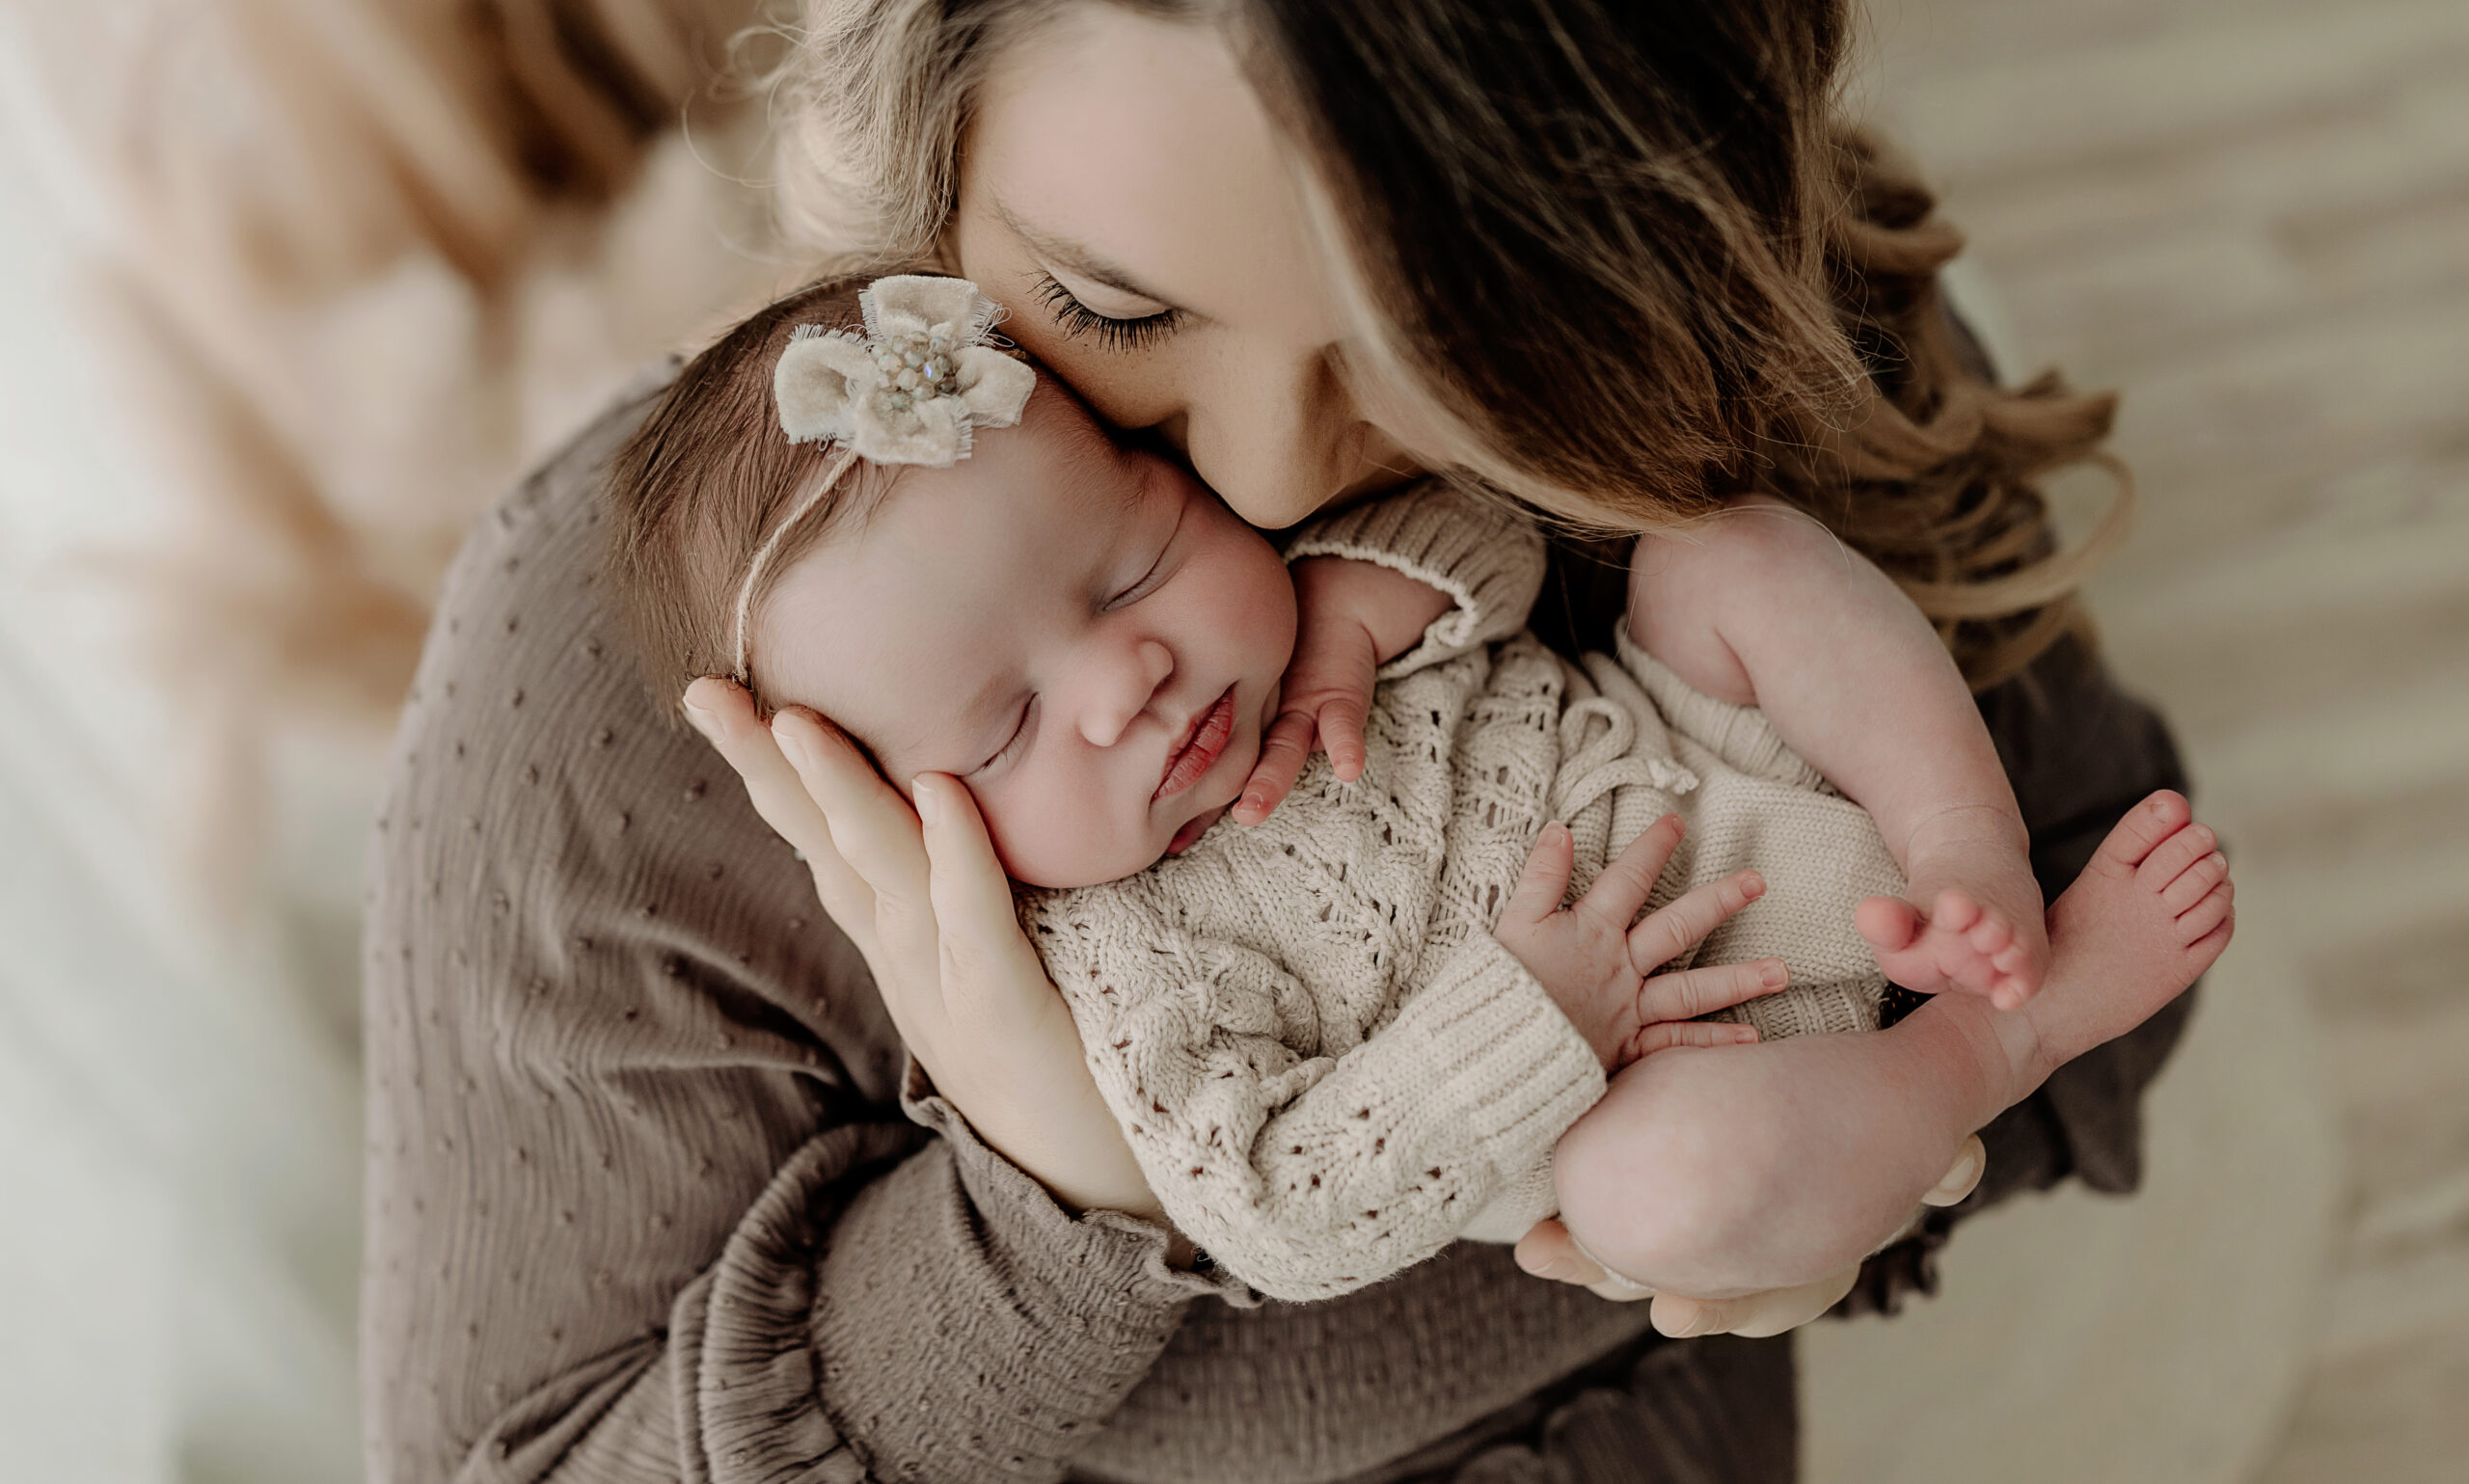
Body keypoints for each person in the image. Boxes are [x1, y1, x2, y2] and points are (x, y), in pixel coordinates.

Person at [362, 0, 2202, 1479]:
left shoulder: (1730, 329)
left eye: (1429, 337)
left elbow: (2114, 911)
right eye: (1114, 307)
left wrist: (1872, 1147)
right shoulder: (624, 679)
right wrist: (1057, 1204)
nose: (1262, 481)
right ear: (911, 135)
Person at [602, 272, 2231, 1307]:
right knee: (1664, 1191)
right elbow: (1277, 1211)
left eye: (1132, 567)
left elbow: (1498, 547)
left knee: (1722, 555)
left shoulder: (1291, 619)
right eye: (1006, 729)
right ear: (887, 812)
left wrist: (1363, 611)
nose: (1128, 684)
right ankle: (2001, 1030)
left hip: (1702, 756)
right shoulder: (1119, 963)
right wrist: (1537, 1020)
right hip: (1686, 1073)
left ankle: (1967, 857)